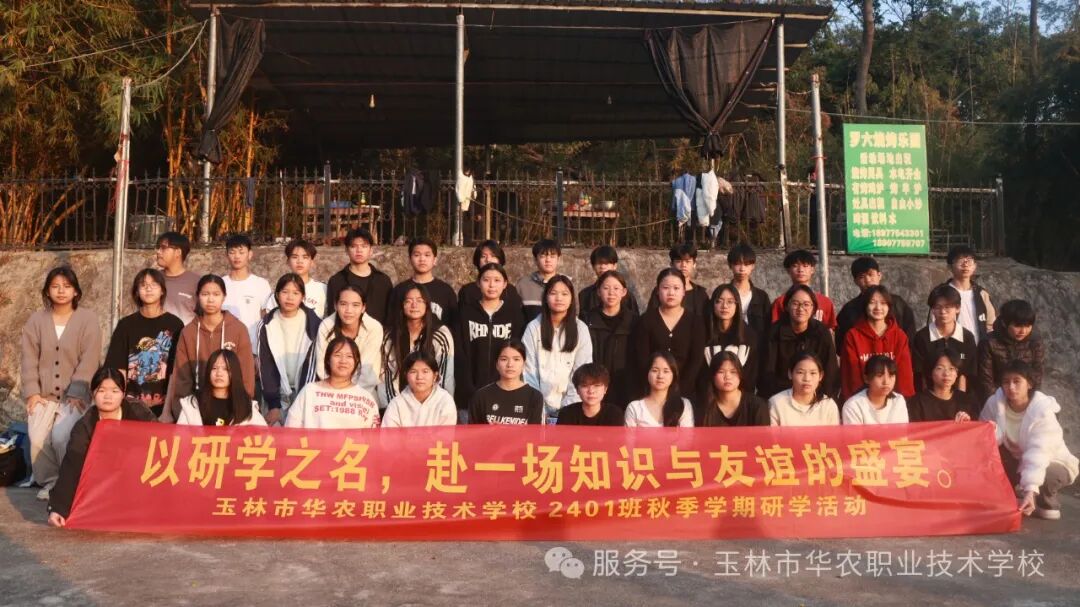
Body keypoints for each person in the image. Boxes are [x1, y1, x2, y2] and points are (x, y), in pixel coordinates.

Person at [21, 266, 101, 500]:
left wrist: (78, 392)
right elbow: (28, 358)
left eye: (67, 286)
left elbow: (90, 358)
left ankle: (70, 483)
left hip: (74, 397)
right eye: (55, 286)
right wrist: (32, 392)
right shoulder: (36, 320)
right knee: (37, 439)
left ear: (76, 291)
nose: (61, 291)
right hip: (44, 395)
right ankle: (51, 482)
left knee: (61, 437)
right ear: (47, 291)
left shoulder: (87, 319)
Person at [47, 368, 157, 528]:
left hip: (138, 480)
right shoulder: (84, 426)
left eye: (115, 391)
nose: (108, 396)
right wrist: (58, 508)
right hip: (103, 484)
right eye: (102, 390)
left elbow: (162, 443)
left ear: (123, 393)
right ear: (93, 393)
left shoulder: (138, 412)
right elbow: (72, 466)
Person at [979, 360, 1078, 520]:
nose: (1011, 387)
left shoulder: (1042, 411)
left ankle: (1045, 499)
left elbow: (1039, 452)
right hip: (1018, 460)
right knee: (996, 461)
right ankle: (1015, 492)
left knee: (1048, 501)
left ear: (1029, 384)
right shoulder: (994, 403)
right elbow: (983, 436)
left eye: (1017, 381)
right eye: (1006, 382)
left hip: (1052, 461)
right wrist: (992, 429)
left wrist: (1030, 490)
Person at [163, 274, 255, 422]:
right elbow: (182, 378)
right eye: (205, 294)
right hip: (196, 410)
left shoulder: (238, 329)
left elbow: (246, 375)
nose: (210, 299)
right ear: (198, 296)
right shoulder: (188, 332)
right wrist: (184, 412)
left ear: (224, 297)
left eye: (216, 294)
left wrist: (240, 409)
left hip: (232, 409)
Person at [105, 268, 184, 417]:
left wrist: (168, 411)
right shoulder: (125, 325)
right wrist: (118, 405)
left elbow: (176, 372)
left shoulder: (175, 325)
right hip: (130, 406)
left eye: (154, 284)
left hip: (164, 407)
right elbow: (118, 369)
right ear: (137, 292)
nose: (148, 289)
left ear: (162, 290)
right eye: (143, 285)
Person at [454, 263, 525, 423]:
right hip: (469, 396)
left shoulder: (514, 314)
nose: (492, 285)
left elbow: (517, 354)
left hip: (504, 395)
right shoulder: (465, 313)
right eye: (486, 280)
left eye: (497, 280)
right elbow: (459, 353)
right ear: (478, 283)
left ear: (505, 284)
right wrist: (467, 387)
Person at [523, 275, 592, 422]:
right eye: (553, 293)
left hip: (572, 406)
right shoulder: (533, 328)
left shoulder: (581, 329)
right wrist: (539, 407)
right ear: (545, 298)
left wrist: (567, 409)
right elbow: (528, 372)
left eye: (564, 294)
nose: (559, 298)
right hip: (537, 406)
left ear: (572, 298)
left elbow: (581, 371)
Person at [255, 274, 321, 425]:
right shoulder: (266, 325)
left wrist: (303, 401)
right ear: (277, 295)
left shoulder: (315, 325)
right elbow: (266, 367)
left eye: (296, 293)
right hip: (276, 396)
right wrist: (274, 405)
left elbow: (314, 366)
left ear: (303, 297)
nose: (290, 297)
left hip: (307, 395)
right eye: (285, 292)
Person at [634, 268, 706, 400]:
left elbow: (696, 360)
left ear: (684, 291)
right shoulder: (646, 320)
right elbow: (642, 359)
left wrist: (680, 390)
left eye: (676, 288)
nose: (671, 292)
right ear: (657, 290)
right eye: (666, 288)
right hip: (652, 391)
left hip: (686, 392)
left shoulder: (695, 322)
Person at [378, 285, 455, 407]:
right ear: (402, 305)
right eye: (409, 301)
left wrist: (431, 407)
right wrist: (397, 408)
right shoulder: (391, 336)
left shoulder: (440, 334)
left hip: (433, 406)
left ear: (427, 305)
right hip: (398, 406)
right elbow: (387, 377)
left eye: (419, 301)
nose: (414, 305)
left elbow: (445, 378)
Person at [760, 285, 839, 398]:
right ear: (787, 306)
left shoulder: (821, 333)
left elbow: (830, 371)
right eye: (795, 303)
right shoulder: (774, 333)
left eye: (806, 304)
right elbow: (767, 374)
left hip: (815, 396)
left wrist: (820, 398)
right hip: (781, 396)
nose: (800, 309)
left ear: (813, 308)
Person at [839, 285, 915, 401]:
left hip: (893, 401)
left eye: (883, 303)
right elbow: (850, 375)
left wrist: (903, 402)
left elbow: (904, 376)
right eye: (872, 302)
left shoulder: (899, 336)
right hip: (861, 401)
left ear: (889, 307)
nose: (878, 307)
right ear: (865, 306)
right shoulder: (852, 336)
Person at [287, 336, 381, 429]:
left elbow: (373, 436)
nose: (343, 361)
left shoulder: (366, 399)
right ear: (328, 359)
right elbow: (291, 429)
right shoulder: (309, 392)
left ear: (356, 361)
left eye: (349, 356)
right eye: (337, 355)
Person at [307, 285, 383, 396]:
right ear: (335, 305)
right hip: (330, 390)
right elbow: (322, 367)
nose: (349, 310)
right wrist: (335, 393)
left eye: (355, 305)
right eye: (343, 304)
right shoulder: (326, 326)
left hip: (363, 391)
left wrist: (351, 395)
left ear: (363, 307)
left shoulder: (374, 328)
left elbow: (369, 371)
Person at [835, 257, 916, 350]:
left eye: (871, 274)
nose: (868, 280)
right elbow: (842, 345)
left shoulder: (898, 304)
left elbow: (910, 338)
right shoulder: (849, 310)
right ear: (855, 281)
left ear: (879, 276)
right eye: (862, 277)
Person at [584, 270, 637, 409]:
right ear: (598, 291)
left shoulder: (634, 321)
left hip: (625, 386)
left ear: (624, 292)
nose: (611, 293)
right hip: (595, 384)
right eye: (606, 288)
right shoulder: (587, 319)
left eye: (616, 288)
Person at [911, 285, 978, 393]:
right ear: (932, 310)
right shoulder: (922, 337)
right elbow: (920, 374)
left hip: (960, 395)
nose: (943, 311)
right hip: (929, 395)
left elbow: (967, 373)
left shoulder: (967, 337)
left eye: (948, 307)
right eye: (938, 307)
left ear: (957, 308)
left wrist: (961, 398)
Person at [176, 349, 267, 426]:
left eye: (225, 369)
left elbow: (263, 435)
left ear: (235, 373)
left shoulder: (247, 407)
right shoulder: (192, 405)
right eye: (214, 368)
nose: (219, 373)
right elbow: (180, 436)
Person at [979, 299, 1045, 401]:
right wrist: (1000, 402)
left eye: (1028, 326)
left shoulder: (1035, 341)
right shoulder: (988, 342)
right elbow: (986, 380)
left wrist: (1027, 401)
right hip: (997, 398)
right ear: (1004, 323)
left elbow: (1037, 375)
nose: (1023, 331)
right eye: (1017, 326)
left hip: (1025, 399)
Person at [325, 227, 393, 324]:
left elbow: (390, 315)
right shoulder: (336, 281)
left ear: (371, 250)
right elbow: (333, 315)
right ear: (346, 250)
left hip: (378, 333)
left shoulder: (383, 281)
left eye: (364, 246)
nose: (359, 250)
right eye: (353, 246)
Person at [469, 341, 545, 425]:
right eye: (504, 359)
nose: (510, 364)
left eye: (516, 359)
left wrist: (509, 430)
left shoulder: (534, 397)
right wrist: (490, 430)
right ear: (497, 364)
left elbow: (535, 432)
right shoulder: (481, 397)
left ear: (524, 364)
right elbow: (472, 431)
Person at [387, 237, 458, 327]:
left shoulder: (446, 291)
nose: (422, 259)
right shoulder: (399, 290)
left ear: (435, 260)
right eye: (417, 255)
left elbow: (454, 326)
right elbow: (391, 324)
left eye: (427, 255)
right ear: (410, 259)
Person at [704, 283, 760, 395]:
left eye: (730, 302)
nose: (724, 306)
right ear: (713, 304)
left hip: (740, 396)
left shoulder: (749, 335)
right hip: (709, 396)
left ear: (737, 305)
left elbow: (751, 374)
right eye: (719, 301)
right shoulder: (703, 332)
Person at [933, 245, 996, 344]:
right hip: (951, 349)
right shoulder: (941, 293)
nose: (965, 265)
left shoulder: (982, 294)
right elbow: (934, 324)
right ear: (950, 267)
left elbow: (991, 325)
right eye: (960, 260)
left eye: (969, 261)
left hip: (979, 349)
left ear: (975, 266)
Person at [220, 233, 272, 346]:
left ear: (250, 254)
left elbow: (267, 318)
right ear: (226, 255)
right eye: (232, 252)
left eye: (241, 252)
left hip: (252, 346)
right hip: (224, 346)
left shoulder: (261, 284)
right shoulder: (220, 284)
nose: (237, 256)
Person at [382, 351, 458, 427]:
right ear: (406, 375)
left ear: (435, 376)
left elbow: (447, 433)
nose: (419, 377)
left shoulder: (445, 401)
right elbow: (389, 433)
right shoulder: (396, 404)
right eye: (413, 372)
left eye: (425, 371)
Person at [647, 244, 710, 330]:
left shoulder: (701, 294)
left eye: (688, 261)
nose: (683, 265)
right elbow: (651, 318)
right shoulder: (661, 291)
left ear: (694, 264)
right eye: (679, 261)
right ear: (671, 264)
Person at [769, 249, 837, 330]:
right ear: (788, 270)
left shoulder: (825, 302)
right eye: (795, 266)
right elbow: (775, 330)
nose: (800, 270)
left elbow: (830, 330)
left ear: (812, 269)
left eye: (805, 266)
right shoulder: (780, 302)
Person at [697, 352, 769, 427]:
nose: (727, 376)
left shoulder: (757, 406)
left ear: (740, 375)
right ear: (712, 376)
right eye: (721, 372)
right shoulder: (704, 407)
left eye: (733, 372)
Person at [768, 353, 840, 426]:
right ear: (790, 374)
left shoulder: (828, 406)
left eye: (813, 373)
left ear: (821, 376)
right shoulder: (777, 403)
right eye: (800, 372)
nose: (807, 379)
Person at [624, 351, 694, 427]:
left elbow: (687, 434)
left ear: (673, 375)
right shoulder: (634, 408)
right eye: (655, 370)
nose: (660, 376)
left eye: (666, 371)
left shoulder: (683, 405)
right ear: (647, 373)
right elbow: (629, 435)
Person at [906, 350, 979, 422]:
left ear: (957, 373)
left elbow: (977, 427)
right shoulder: (916, 403)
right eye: (940, 368)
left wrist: (967, 423)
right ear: (930, 372)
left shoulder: (968, 401)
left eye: (951, 368)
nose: (946, 374)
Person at [262, 238, 327, 318]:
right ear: (288, 261)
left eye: (305, 257)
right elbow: (268, 319)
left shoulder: (323, 289)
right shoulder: (280, 289)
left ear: (312, 262)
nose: (299, 261)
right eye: (295, 257)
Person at [457, 240, 523, 312]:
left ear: (500, 260)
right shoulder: (467, 291)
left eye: (493, 256)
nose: (488, 260)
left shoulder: (511, 291)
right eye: (483, 256)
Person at [841, 355, 910, 425]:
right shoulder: (853, 406)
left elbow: (903, 430)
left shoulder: (898, 400)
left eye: (891, 376)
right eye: (879, 376)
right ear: (866, 378)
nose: (886, 382)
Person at [725, 243, 771, 346]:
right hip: (729, 346)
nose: (742, 269)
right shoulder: (722, 295)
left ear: (753, 266)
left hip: (756, 347)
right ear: (730, 265)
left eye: (746, 264)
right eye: (737, 264)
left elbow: (768, 328)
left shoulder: (761, 297)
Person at [577, 245, 640, 319]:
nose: (602, 267)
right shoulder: (585, 295)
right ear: (593, 266)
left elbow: (635, 321)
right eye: (599, 263)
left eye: (606, 263)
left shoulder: (627, 296)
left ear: (615, 266)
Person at [557, 363, 625, 426]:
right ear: (577, 390)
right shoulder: (566, 414)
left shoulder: (614, 414)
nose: (591, 391)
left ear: (605, 389)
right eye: (585, 386)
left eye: (597, 385)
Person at [154, 231, 200, 324]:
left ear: (178, 252)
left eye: (163, 248)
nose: (158, 252)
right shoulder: (153, 279)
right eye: (158, 248)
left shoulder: (197, 282)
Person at [517, 238, 562, 322]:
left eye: (552, 256)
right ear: (535, 260)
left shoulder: (565, 285)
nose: (548, 260)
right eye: (543, 256)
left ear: (558, 259)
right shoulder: (523, 285)